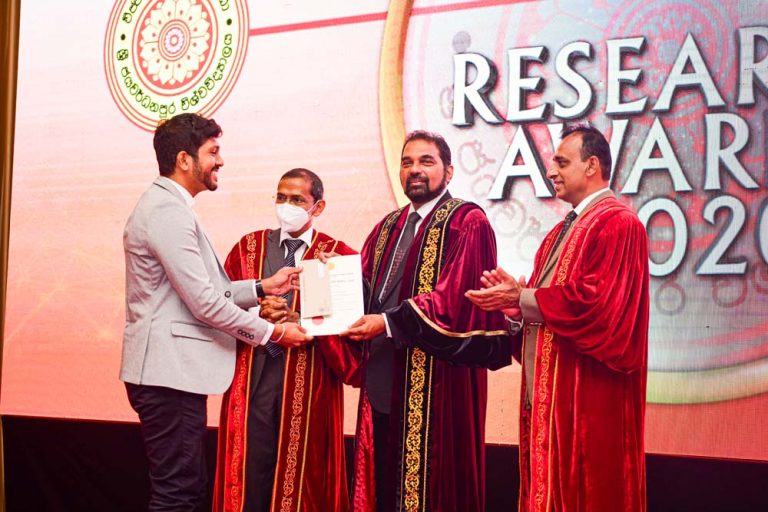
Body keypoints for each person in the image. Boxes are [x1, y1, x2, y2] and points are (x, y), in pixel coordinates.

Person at [120, 113, 312, 512]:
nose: (220, 161)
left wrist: (262, 287)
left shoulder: (170, 206)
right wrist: (274, 333)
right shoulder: (167, 211)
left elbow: (205, 291)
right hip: (167, 375)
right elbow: (205, 303)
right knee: (178, 495)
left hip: (171, 373)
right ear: (184, 159)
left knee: (185, 489)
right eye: (213, 152)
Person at [466, 124, 649, 511]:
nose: (550, 171)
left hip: (588, 406)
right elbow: (545, 317)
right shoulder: (556, 234)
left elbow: (600, 308)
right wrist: (515, 312)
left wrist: (524, 298)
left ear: (592, 166)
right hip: (547, 405)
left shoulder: (618, 223)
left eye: (562, 163)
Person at [342, 131, 511, 512]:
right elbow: (367, 291)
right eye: (407, 162)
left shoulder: (467, 222)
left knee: (433, 491)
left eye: (426, 161)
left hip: (438, 385)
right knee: (383, 488)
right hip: (384, 380)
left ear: (449, 171)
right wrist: (331, 284)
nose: (414, 169)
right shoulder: (387, 226)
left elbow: (455, 301)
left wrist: (386, 323)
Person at [212, 168, 362, 512]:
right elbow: (219, 307)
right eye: (281, 198)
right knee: (248, 475)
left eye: (297, 200)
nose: (286, 206)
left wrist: (300, 319)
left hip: (311, 385)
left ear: (318, 207)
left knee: (303, 479)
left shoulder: (336, 256)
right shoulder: (248, 248)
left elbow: (351, 330)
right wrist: (259, 312)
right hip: (253, 379)